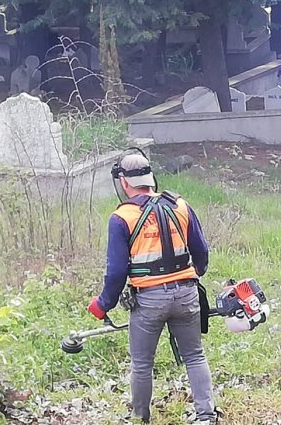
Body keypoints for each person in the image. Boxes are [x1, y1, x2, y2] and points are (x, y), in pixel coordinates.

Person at [86, 153, 217, 424]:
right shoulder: (179, 205)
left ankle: (140, 417)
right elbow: (201, 253)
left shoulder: (122, 217)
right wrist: (194, 275)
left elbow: (117, 272)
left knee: (143, 363)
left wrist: (103, 304)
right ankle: (206, 416)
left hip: (149, 301)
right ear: (150, 177)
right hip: (186, 293)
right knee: (194, 355)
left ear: (123, 182)